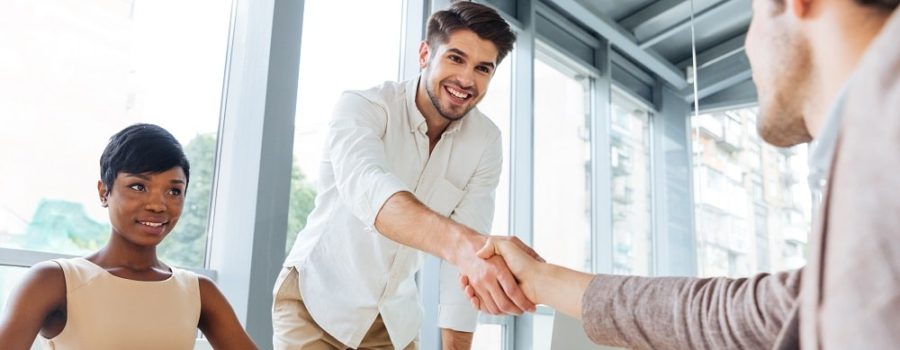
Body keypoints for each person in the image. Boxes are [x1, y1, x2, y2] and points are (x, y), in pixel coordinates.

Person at [462, 0, 900, 348]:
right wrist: (540, 279)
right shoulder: (867, 153)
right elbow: (761, 316)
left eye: (751, 13)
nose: (749, 47)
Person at [272, 2, 540, 349]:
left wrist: (469, 259)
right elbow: (374, 194)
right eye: (456, 58)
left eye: (482, 68)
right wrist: (467, 248)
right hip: (315, 303)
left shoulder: (486, 142)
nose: (466, 79)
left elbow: (464, 268)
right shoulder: (363, 107)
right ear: (425, 53)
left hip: (392, 320)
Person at [0, 124, 258, 350]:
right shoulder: (53, 281)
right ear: (104, 192)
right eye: (139, 186)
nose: (158, 205)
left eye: (174, 191)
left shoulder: (199, 291)